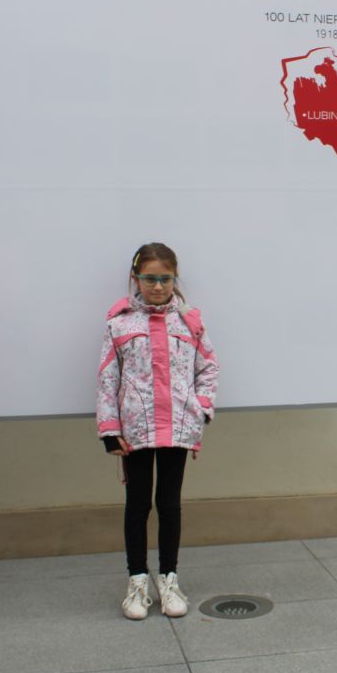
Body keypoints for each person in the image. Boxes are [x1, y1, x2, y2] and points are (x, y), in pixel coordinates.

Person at [96, 242, 218, 620]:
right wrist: (110, 429)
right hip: (135, 431)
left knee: (169, 504)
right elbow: (107, 378)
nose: (158, 286)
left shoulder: (190, 322)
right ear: (136, 279)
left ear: (174, 279)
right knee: (137, 506)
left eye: (166, 278)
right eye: (150, 278)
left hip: (177, 429)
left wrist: (201, 408)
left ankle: (169, 579)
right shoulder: (119, 324)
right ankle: (137, 581)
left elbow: (208, 367)